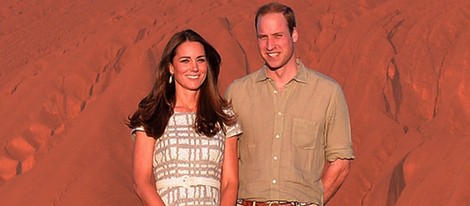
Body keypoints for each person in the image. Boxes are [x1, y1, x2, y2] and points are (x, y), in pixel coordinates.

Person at [225, 2, 355, 206]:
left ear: (294, 35)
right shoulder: (238, 92)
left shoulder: (327, 92)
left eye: (278, 36)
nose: (270, 46)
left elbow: (341, 162)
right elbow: (225, 160)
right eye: (263, 37)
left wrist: (314, 201)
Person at [127, 29, 242, 206]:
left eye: (200, 60)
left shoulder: (224, 116)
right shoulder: (152, 115)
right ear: (171, 67)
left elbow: (230, 182)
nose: (194, 68)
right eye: (185, 60)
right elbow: (142, 181)